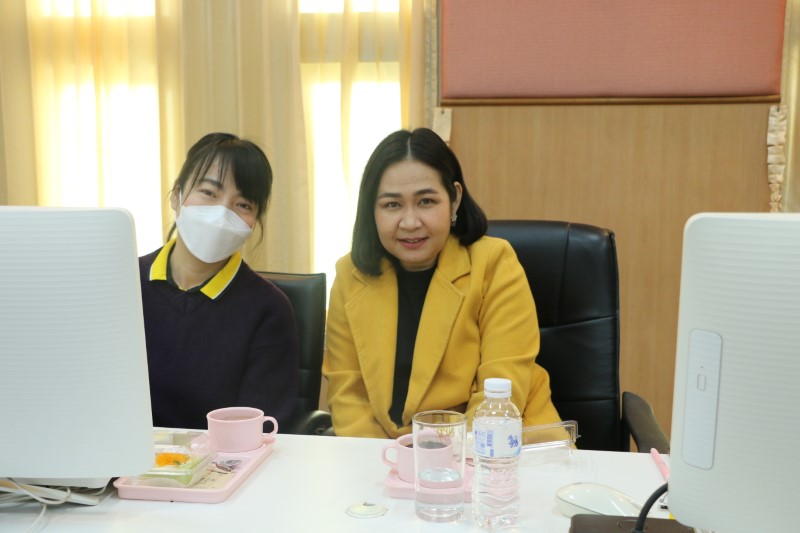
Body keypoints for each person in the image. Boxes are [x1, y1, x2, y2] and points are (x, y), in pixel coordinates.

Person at [322, 127, 561, 438]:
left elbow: (500, 394)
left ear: (454, 199)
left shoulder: (494, 263)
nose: (410, 222)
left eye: (426, 201)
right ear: (372, 210)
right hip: (388, 454)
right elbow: (349, 396)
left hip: (497, 446)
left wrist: (435, 458)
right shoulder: (350, 276)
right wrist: (380, 460)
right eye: (392, 205)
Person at [139, 132, 299, 431]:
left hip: (222, 458)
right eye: (209, 193)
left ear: (254, 221)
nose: (222, 213)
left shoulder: (268, 309)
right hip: (121, 454)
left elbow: (259, 427)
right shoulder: (123, 284)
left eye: (243, 205)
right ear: (176, 195)